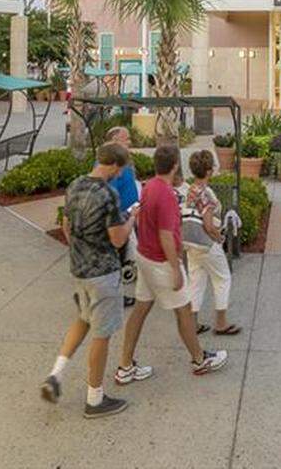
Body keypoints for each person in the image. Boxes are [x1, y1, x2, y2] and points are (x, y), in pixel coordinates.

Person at [42, 142, 140, 418]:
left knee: (84, 319)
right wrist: (132, 218)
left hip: (79, 268)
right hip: (103, 272)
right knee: (102, 334)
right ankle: (95, 399)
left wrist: (79, 249)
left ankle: (56, 374)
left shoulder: (75, 185)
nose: (120, 175)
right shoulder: (107, 194)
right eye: (120, 170)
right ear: (115, 166)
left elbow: (67, 226)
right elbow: (118, 238)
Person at [118, 145, 227, 381]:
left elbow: (141, 215)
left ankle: (125, 365)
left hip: (144, 256)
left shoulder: (148, 187)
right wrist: (176, 267)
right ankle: (199, 360)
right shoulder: (166, 195)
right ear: (176, 165)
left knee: (140, 310)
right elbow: (166, 235)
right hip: (160, 262)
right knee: (184, 311)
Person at [179, 149, 240, 336]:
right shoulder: (207, 193)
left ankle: (193, 323)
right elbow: (207, 223)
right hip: (205, 243)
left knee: (196, 280)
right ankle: (221, 323)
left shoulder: (190, 190)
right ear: (208, 171)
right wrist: (218, 236)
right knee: (222, 277)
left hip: (189, 242)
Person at [106, 126, 140, 307]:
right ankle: (114, 297)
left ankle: (115, 294)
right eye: (125, 139)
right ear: (114, 141)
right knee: (116, 258)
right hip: (120, 219)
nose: (129, 142)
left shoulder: (124, 161)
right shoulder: (110, 165)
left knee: (122, 257)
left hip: (129, 215)